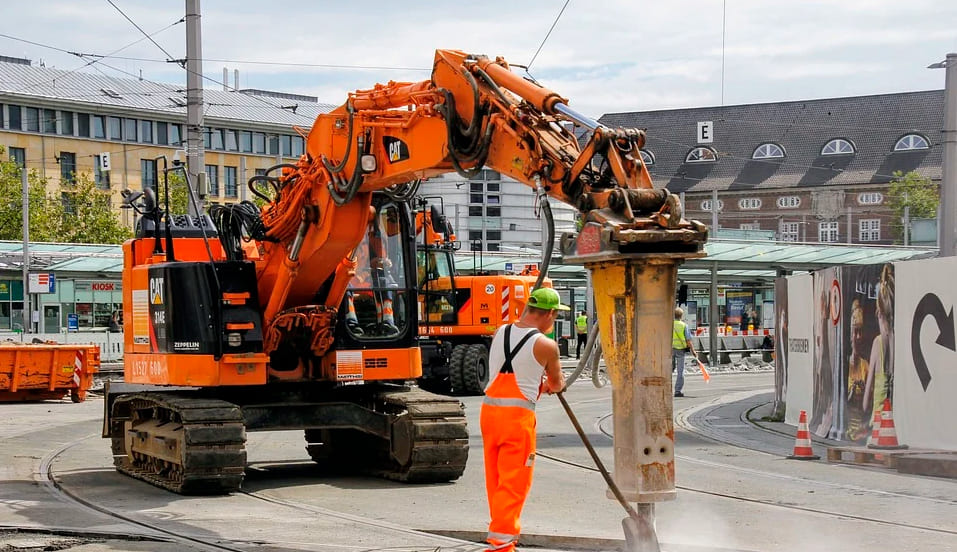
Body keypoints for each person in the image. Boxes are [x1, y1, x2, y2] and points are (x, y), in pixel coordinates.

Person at [481, 287, 567, 552]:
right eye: (556, 316)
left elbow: (515, 369)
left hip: (489, 414)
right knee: (514, 482)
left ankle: (498, 534)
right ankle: (501, 545)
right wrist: (549, 384)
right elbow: (557, 383)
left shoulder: (500, 331)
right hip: (517, 420)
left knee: (495, 479)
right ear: (550, 314)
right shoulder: (546, 345)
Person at [672, 307, 696, 397]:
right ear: (681, 316)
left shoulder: (669, 324)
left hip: (670, 350)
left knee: (667, 370)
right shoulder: (684, 325)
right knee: (680, 371)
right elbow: (688, 340)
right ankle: (677, 391)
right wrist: (693, 351)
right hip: (680, 350)